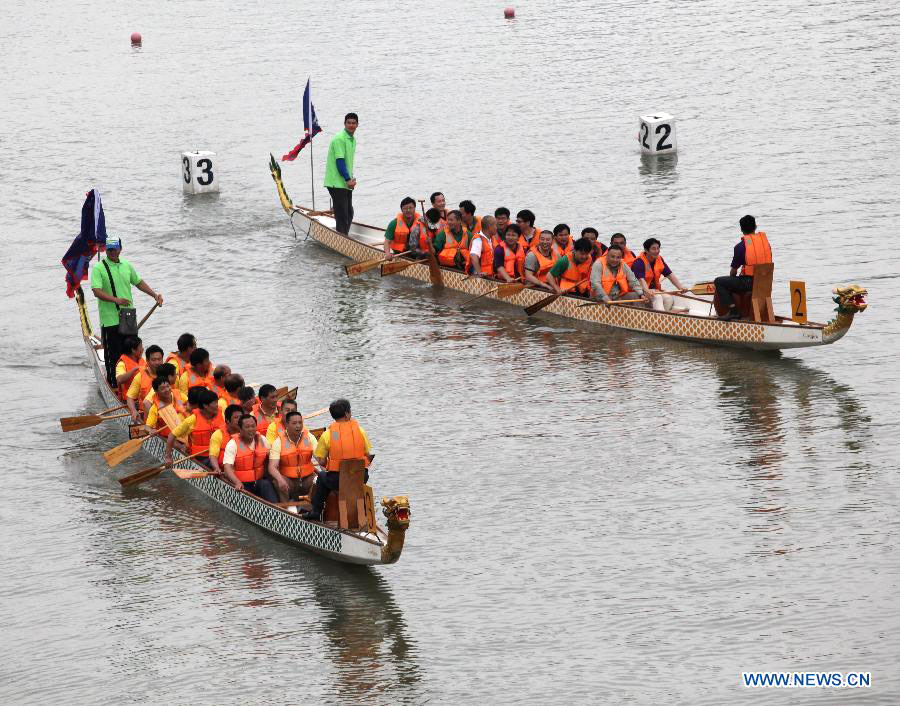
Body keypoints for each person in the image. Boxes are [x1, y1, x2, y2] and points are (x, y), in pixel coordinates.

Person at [90, 236, 164, 387]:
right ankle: (114, 386)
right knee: (114, 356)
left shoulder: (126, 265)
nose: (112, 252)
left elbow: (138, 282)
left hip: (128, 318)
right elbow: (96, 291)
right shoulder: (99, 267)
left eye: (115, 249)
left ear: (120, 249)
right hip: (110, 320)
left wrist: (154, 295)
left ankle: (136, 384)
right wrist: (116, 300)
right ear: (106, 250)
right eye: (110, 249)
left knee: (133, 353)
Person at [302, 398, 373, 521]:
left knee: (322, 477)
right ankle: (363, 514)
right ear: (347, 414)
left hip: (338, 480)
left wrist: (331, 463)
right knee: (361, 474)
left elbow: (321, 461)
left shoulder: (328, 434)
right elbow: (368, 454)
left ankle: (316, 511)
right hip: (360, 477)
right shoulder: (360, 431)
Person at [713, 215, 773, 320]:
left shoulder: (740, 247)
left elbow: (733, 271)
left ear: (741, 229)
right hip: (766, 281)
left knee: (719, 281)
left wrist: (731, 279)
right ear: (755, 226)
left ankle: (733, 311)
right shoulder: (766, 244)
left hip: (749, 283)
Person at [268, 410, 319, 508]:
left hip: (307, 478)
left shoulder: (309, 437)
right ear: (287, 425)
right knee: (277, 482)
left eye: (300, 423)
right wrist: (280, 479)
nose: (298, 426)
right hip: (288, 480)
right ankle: (286, 509)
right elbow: (272, 467)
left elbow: (320, 459)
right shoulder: (278, 442)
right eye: (294, 423)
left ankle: (311, 508)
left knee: (319, 480)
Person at [221, 414, 278, 503]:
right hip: (242, 484)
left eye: (253, 426)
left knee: (266, 484)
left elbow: (271, 458)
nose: (251, 429)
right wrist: (237, 482)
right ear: (240, 429)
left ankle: (276, 506)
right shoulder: (232, 444)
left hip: (259, 481)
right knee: (243, 491)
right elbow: (227, 468)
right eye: (247, 427)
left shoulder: (262, 439)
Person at [165, 388, 225, 469]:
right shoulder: (192, 420)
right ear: (205, 406)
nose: (217, 405)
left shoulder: (220, 414)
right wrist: (168, 457)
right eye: (214, 403)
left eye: (216, 402)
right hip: (202, 457)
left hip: (220, 452)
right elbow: (171, 435)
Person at [324, 112, 359, 235]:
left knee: (349, 213)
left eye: (353, 123)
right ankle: (341, 238)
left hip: (345, 182)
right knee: (342, 214)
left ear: (357, 125)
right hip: (336, 182)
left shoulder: (352, 139)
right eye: (348, 123)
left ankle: (344, 236)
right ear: (344, 124)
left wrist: (350, 179)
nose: (351, 125)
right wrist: (348, 179)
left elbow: (348, 162)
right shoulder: (339, 139)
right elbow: (340, 161)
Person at [631, 238, 688, 311]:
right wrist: (647, 290)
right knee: (657, 297)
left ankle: (663, 315)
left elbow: (670, 275)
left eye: (658, 248)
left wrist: (680, 287)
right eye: (653, 249)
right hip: (640, 291)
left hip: (654, 290)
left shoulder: (659, 259)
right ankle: (660, 315)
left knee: (668, 298)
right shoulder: (639, 262)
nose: (657, 251)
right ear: (646, 250)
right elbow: (641, 280)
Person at [146, 376, 189, 455]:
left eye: (168, 386)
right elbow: (147, 427)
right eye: (162, 388)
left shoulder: (180, 395)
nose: (167, 390)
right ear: (156, 391)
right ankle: (181, 447)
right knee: (174, 440)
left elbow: (191, 406)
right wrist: (151, 430)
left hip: (185, 432)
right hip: (170, 437)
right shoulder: (155, 408)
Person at [125, 344, 164, 422]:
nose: (157, 362)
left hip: (165, 413)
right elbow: (130, 397)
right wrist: (133, 411)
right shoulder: (140, 376)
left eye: (159, 359)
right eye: (153, 360)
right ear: (147, 361)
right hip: (146, 413)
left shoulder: (168, 374)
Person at [209, 403, 243, 475]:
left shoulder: (246, 432)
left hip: (241, 471)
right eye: (236, 417)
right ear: (227, 420)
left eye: (241, 417)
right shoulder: (218, 435)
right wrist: (216, 468)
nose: (239, 420)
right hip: (223, 471)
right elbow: (213, 455)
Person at [114, 335, 145, 403]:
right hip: (130, 400)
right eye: (140, 347)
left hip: (143, 397)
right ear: (133, 350)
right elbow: (119, 379)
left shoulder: (141, 360)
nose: (143, 349)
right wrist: (135, 369)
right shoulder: (122, 364)